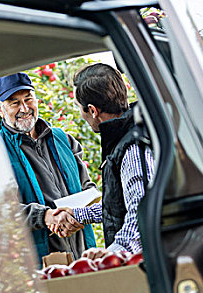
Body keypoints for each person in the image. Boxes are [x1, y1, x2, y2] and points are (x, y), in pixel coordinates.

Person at [55, 63, 155, 260]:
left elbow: (141, 210)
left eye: (79, 108)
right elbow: (121, 202)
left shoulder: (132, 148)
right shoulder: (126, 136)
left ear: (92, 110)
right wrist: (80, 214)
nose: (81, 115)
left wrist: (111, 256)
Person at [0, 72, 97, 264]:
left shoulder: (64, 139)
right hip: (39, 265)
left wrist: (79, 213)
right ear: (0, 108)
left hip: (83, 254)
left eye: (28, 99)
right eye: (14, 102)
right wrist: (44, 217)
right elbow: (0, 210)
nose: (24, 108)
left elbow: (87, 187)